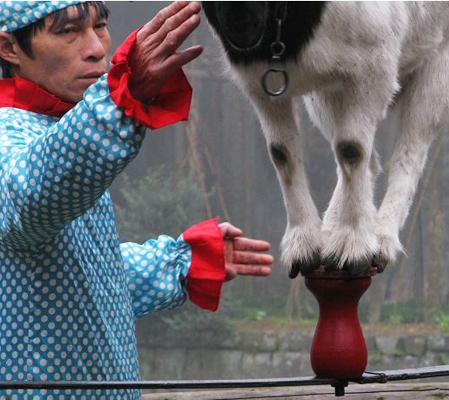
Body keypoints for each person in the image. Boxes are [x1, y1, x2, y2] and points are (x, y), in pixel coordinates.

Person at [0, 1, 274, 399]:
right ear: (8, 47)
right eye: (68, 31)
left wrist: (177, 264)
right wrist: (119, 98)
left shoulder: (55, 127)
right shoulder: (10, 138)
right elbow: (30, 198)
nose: (96, 47)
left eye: (101, 26)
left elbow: (75, 278)